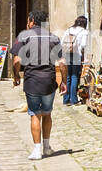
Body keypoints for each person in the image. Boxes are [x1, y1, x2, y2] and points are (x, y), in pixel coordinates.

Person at [10, 11, 65, 160]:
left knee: (35, 114)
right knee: (47, 113)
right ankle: (47, 147)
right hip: (49, 81)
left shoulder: (24, 36)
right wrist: (64, 82)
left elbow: (16, 61)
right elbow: (62, 63)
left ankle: (36, 150)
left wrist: (16, 76)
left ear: (32, 21)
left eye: (28, 20)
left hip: (32, 81)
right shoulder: (53, 38)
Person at [60, 16, 88, 105]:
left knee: (68, 76)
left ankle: (66, 99)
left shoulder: (69, 30)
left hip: (67, 54)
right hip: (76, 54)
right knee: (75, 76)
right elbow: (83, 44)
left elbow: (62, 42)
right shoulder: (84, 32)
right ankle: (74, 100)